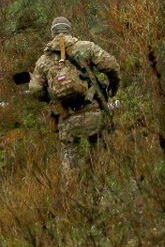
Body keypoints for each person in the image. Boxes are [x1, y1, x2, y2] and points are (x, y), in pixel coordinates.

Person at [27, 16, 120, 170]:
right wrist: (113, 88)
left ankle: (72, 191)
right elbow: (111, 65)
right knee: (101, 158)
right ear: (69, 30)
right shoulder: (86, 47)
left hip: (67, 118)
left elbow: (35, 89)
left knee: (70, 165)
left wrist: (52, 98)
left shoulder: (43, 61)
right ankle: (101, 191)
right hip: (93, 111)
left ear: (53, 33)